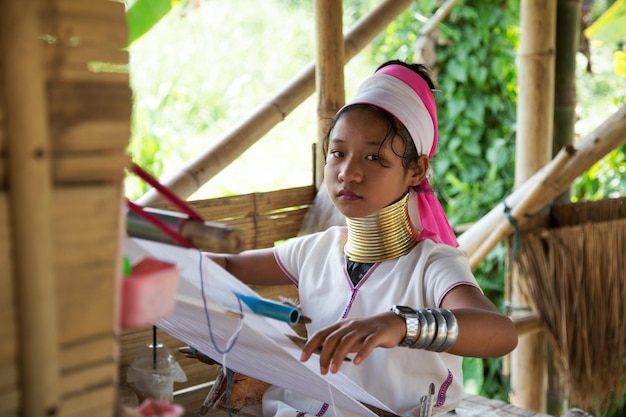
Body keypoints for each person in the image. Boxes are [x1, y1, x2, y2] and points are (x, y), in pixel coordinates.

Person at [206, 60, 518, 417]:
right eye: (338, 153)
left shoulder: (432, 264)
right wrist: (164, 262)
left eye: (374, 157)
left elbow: (501, 333)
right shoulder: (315, 251)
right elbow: (230, 265)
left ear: (416, 170)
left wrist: (402, 325)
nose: (349, 172)